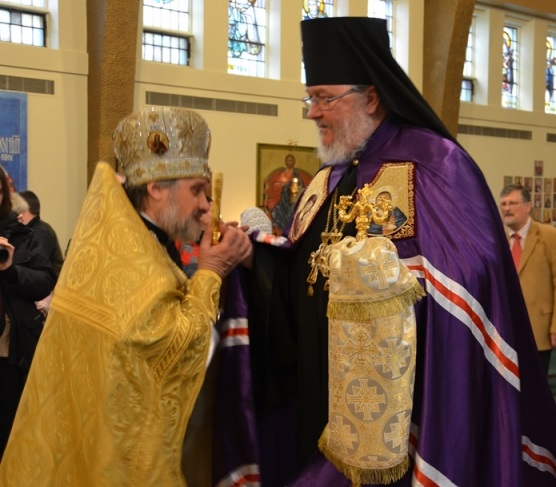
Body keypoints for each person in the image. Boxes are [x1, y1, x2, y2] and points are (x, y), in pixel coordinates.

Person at [228, 17, 556, 487]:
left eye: (324, 97)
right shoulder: (329, 178)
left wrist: (382, 283)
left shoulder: (435, 163)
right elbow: (300, 276)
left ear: (372, 97)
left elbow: (473, 280)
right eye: (310, 98)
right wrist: (251, 258)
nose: (312, 113)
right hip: (320, 407)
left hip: (406, 412)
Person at [0, 107, 252, 486]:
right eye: (197, 190)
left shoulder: (131, 242)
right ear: (156, 188)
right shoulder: (129, 258)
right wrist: (211, 273)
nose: (206, 205)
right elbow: (171, 348)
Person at [0, 174, 56, 461]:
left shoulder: (25, 235)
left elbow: (45, 281)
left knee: (10, 434)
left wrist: (10, 270)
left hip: (11, 350)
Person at [500, 183, 556, 375]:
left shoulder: (550, 236)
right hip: (504, 330)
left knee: (538, 387)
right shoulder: (496, 239)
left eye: (512, 203)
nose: (507, 209)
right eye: (504, 204)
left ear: (528, 206)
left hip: (539, 330)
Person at [17, 190, 64, 278]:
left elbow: (37, 268)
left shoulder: (42, 232)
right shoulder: (29, 230)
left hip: (45, 287)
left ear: (22, 210)